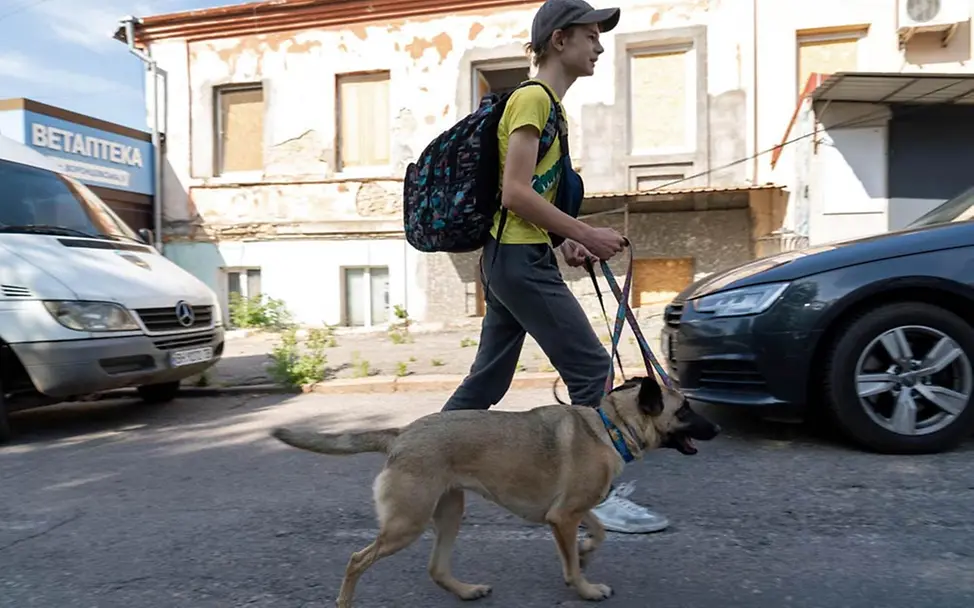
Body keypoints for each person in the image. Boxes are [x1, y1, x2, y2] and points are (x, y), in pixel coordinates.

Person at [440, 0, 670, 535]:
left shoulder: (549, 108)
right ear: (560, 40)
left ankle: (425, 458)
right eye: (591, 35)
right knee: (592, 370)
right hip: (518, 262)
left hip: (513, 257)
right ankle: (593, 496)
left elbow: (530, 198)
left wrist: (564, 240)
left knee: (488, 380)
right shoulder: (533, 100)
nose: (600, 46)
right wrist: (584, 232)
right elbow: (515, 193)